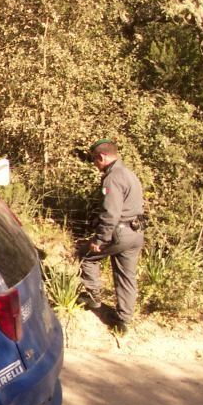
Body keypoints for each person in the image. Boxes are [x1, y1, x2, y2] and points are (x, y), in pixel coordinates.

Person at [79, 138, 145, 334]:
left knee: (87, 256)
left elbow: (111, 214)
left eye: (94, 160)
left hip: (120, 232)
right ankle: (123, 320)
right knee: (126, 276)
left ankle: (93, 299)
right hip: (136, 232)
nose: (94, 165)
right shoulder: (129, 174)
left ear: (102, 156)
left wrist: (99, 240)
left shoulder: (112, 178)